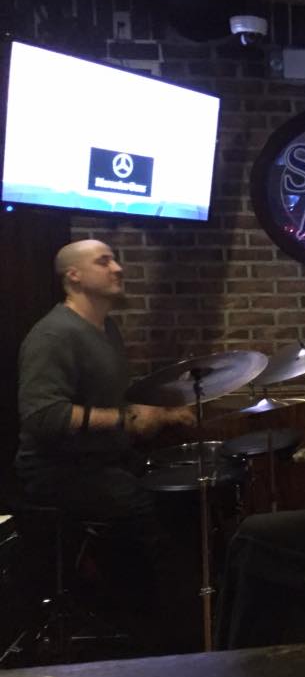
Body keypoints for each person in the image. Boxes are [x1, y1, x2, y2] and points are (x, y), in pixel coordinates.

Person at [15, 238, 196, 651]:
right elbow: (43, 416)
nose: (117, 268)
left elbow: (109, 403)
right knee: (147, 513)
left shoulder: (105, 328)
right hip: (57, 472)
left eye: (114, 260)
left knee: (179, 492)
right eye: (104, 261)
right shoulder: (54, 335)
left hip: (103, 462)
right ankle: (155, 636)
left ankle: (172, 620)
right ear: (73, 276)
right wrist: (124, 419)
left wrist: (164, 414)